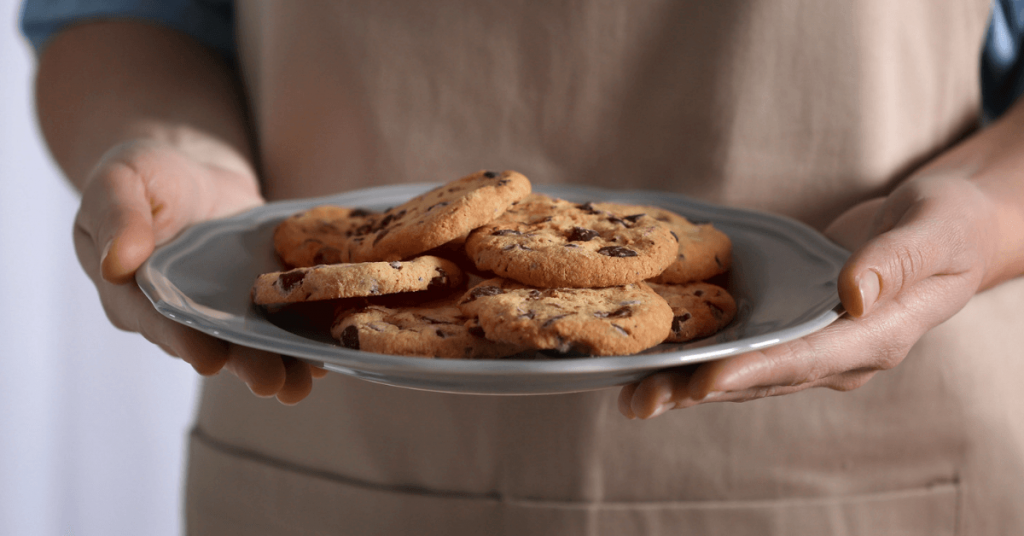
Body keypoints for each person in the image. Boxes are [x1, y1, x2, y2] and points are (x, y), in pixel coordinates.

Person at [22, 0, 1024, 534]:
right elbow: (118, 8)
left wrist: (982, 208)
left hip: (883, 472)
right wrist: (173, 154)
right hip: (331, 444)